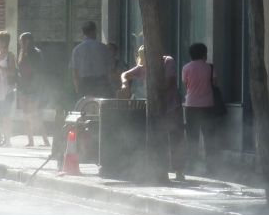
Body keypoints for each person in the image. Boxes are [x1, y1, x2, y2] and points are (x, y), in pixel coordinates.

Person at [122, 45, 186, 180]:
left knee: (175, 138)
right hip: (156, 108)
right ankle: (157, 168)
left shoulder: (168, 61)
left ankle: (179, 170)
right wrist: (124, 84)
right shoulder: (143, 66)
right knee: (157, 138)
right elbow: (125, 74)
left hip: (172, 106)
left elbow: (170, 80)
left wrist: (155, 91)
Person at [182, 43, 220, 174]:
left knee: (192, 137)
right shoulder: (209, 68)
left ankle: (191, 166)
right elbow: (215, 83)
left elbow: (186, 84)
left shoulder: (186, 67)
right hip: (207, 105)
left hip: (191, 105)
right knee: (209, 137)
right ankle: (211, 168)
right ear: (204, 53)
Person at [18, 32, 49, 148]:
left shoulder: (35, 53)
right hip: (24, 88)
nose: (19, 43)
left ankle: (45, 141)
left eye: (21, 41)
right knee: (26, 114)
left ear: (27, 41)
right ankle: (30, 141)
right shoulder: (22, 52)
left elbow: (39, 72)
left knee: (34, 115)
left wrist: (37, 87)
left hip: (33, 89)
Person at [69, 21, 112, 99]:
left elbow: (75, 72)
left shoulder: (77, 50)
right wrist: (109, 85)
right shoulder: (103, 48)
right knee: (101, 107)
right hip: (101, 83)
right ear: (94, 31)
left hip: (85, 84)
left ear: (83, 33)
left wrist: (78, 88)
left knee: (85, 107)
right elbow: (109, 69)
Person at [0, 30, 17, 147]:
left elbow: (12, 72)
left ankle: (8, 140)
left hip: (6, 90)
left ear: (4, 43)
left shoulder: (9, 56)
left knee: (6, 116)